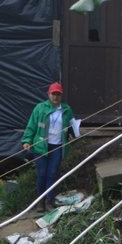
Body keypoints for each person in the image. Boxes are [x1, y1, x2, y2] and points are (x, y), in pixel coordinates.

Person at [21, 82, 76, 212]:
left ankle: (49, 201)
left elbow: (71, 126)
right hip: (41, 146)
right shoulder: (40, 108)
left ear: (61, 95)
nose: (55, 97)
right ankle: (40, 202)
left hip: (57, 146)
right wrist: (27, 140)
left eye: (58, 94)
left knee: (52, 173)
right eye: (53, 94)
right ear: (48, 94)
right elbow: (32, 125)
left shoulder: (66, 109)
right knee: (42, 173)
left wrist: (71, 135)